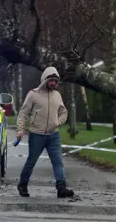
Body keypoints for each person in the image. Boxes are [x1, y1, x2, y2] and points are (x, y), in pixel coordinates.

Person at [15, 66, 74, 198]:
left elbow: (64, 112)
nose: (53, 83)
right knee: (31, 161)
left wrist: (58, 122)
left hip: (54, 135)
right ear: (45, 80)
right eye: (51, 80)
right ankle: (22, 185)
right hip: (37, 134)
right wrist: (20, 130)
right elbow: (23, 113)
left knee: (58, 161)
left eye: (55, 81)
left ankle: (61, 187)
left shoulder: (57, 95)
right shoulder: (33, 94)